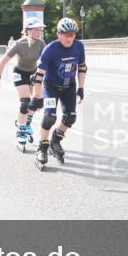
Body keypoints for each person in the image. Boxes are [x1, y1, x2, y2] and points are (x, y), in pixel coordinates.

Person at [33, 17, 86, 170]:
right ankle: (42, 148)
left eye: (73, 34)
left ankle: (55, 140)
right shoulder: (50, 49)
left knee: (71, 117)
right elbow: (39, 75)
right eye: (66, 34)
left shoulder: (79, 47)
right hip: (51, 87)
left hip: (69, 86)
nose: (70, 38)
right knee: (50, 117)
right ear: (58, 34)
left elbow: (82, 67)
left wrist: (81, 88)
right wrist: (37, 96)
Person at [0, 20, 46, 146]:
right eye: (37, 29)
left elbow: (46, 61)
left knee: (38, 103)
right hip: (20, 73)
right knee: (25, 102)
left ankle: (25, 123)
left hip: (33, 73)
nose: (40, 32)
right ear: (29, 30)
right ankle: (20, 131)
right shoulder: (19, 44)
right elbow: (3, 61)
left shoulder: (41, 43)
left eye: (40, 30)